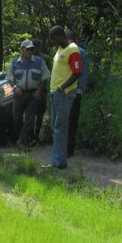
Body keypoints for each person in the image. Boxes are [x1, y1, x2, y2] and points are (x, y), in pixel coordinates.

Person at [45, 25, 83, 169]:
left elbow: (77, 72)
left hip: (64, 94)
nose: (53, 41)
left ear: (60, 36)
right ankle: (57, 160)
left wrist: (63, 87)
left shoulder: (72, 49)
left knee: (60, 128)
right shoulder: (60, 49)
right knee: (56, 127)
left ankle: (59, 162)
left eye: (54, 38)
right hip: (55, 93)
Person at [6, 39, 50, 147]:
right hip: (19, 95)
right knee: (17, 119)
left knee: (30, 119)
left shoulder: (39, 62)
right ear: (22, 50)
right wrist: (15, 87)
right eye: (28, 49)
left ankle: (21, 141)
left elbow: (45, 77)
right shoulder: (15, 63)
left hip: (33, 94)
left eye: (32, 49)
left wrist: (39, 91)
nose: (30, 51)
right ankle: (24, 140)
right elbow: (9, 78)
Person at [66, 30, 88, 157]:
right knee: (73, 120)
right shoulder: (82, 52)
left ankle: (66, 148)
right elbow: (84, 75)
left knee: (65, 120)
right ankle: (70, 148)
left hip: (68, 90)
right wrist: (80, 90)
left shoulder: (69, 52)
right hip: (77, 91)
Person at [33, 40, 52, 143]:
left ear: (38, 47)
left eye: (35, 47)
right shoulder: (28, 58)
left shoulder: (45, 59)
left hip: (42, 89)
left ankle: (36, 135)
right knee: (30, 113)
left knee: (40, 113)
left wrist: (41, 89)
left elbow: (47, 75)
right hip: (31, 89)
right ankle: (31, 135)